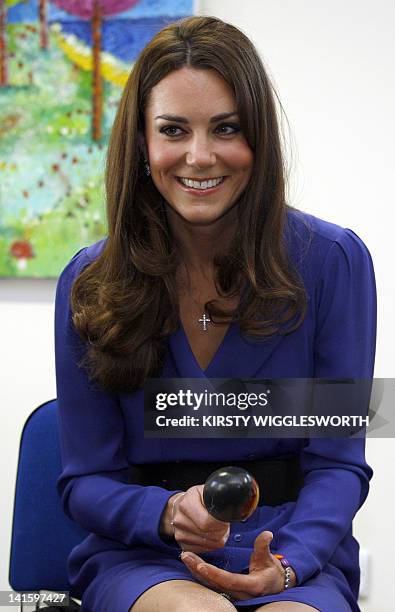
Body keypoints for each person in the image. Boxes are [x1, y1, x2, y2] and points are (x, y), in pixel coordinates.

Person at [54, 15, 376, 612]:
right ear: (142, 142)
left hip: (292, 551)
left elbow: (337, 463)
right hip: (145, 555)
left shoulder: (333, 263)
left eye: (225, 128)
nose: (199, 157)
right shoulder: (89, 282)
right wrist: (170, 512)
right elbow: (84, 481)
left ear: (258, 138)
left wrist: (289, 565)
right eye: (173, 130)